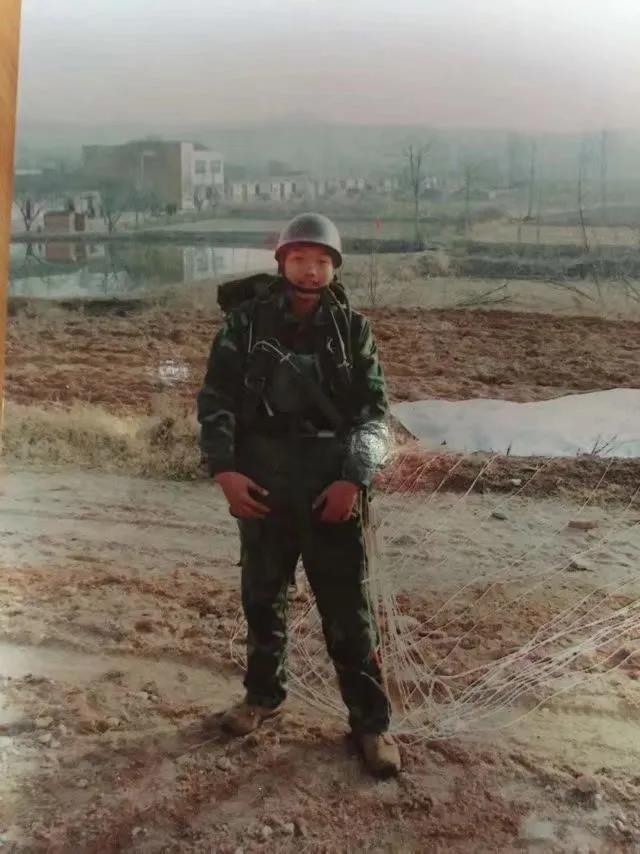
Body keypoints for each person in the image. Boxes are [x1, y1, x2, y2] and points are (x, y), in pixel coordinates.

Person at [197, 213, 401, 777]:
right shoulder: (245, 324)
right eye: (299, 259)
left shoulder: (351, 330)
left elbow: (374, 416)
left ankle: (371, 724)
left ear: (334, 268)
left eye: (321, 261)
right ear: (282, 262)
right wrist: (225, 472)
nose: (310, 271)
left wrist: (352, 480)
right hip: (262, 479)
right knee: (263, 598)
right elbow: (215, 399)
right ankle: (263, 696)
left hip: (329, 482)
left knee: (347, 609)